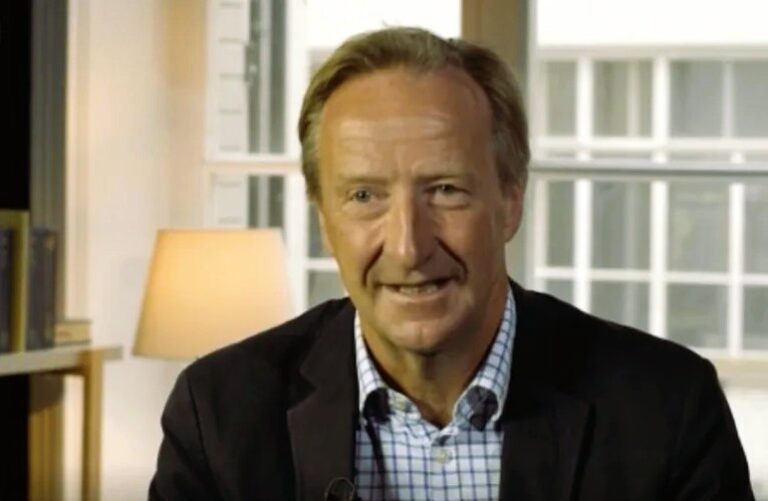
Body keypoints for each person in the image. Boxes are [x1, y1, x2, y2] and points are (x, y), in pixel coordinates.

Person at [149, 27, 754, 501]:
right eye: (364, 196)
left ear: (510, 199)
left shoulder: (667, 411)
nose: (409, 248)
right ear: (324, 219)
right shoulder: (219, 416)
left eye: (444, 190)